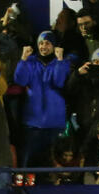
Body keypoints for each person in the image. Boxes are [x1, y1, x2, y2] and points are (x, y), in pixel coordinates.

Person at [13, 32, 71, 167]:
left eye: (47, 43)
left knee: (54, 164)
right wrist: (23, 59)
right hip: (33, 124)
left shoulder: (62, 62)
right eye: (41, 43)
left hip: (55, 124)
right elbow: (20, 81)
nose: (44, 46)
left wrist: (60, 60)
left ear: (54, 45)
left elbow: (59, 82)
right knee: (28, 164)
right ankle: (24, 188)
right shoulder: (30, 61)